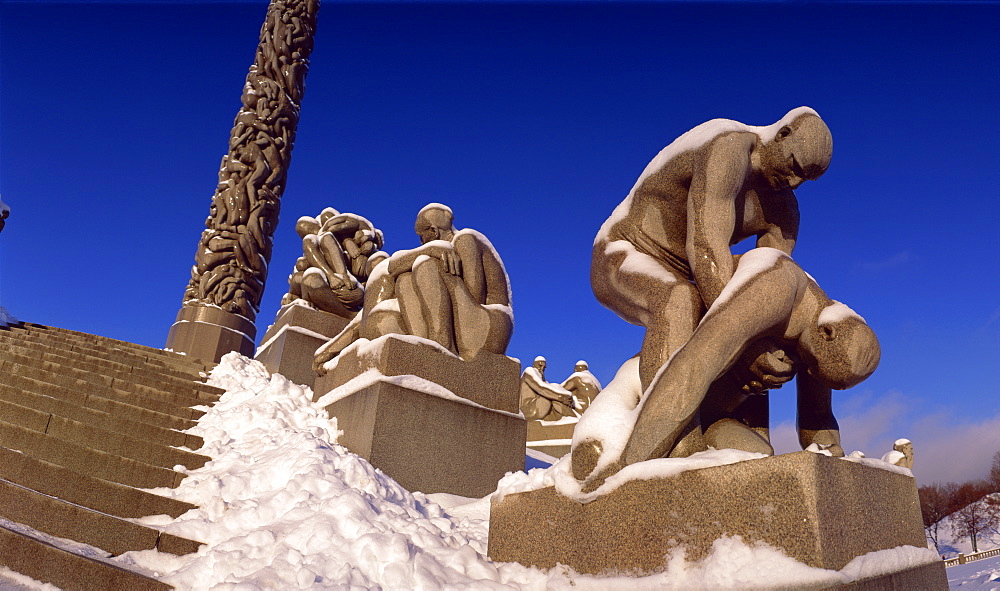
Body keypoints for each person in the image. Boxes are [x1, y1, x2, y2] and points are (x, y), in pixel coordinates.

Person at [573, 248, 880, 490]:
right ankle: (615, 449)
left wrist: (832, 456)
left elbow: (818, 419)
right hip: (649, 398)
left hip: (713, 417)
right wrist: (629, 463)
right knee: (661, 455)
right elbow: (693, 366)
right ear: (829, 332)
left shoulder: (823, 345)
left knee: (756, 458)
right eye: (815, 367)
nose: (810, 374)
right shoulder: (777, 285)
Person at [591, 108, 833, 397]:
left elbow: (765, 288)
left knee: (765, 345)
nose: (794, 182)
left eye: (805, 178)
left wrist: (766, 347)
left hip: (691, 274)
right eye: (794, 165)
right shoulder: (728, 147)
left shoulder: (785, 210)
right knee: (677, 301)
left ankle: (738, 434)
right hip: (623, 251)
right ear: (783, 134)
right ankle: (673, 435)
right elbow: (705, 245)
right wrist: (747, 343)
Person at [314, 204, 512, 371]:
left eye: (422, 237)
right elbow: (394, 266)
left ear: (433, 231)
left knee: (424, 265)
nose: (421, 242)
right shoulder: (438, 249)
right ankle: (427, 344)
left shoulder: (465, 239)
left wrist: (430, 260)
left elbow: (475, 293)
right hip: (463, 323)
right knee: (406, 277)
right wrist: (431, 250)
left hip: (486, 327)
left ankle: (442, 345)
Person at [520, 356, 576, 420]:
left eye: (544, 367)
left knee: (554, 398)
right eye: (540, 365)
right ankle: (571, 418)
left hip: (538, 406)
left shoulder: (543, 380)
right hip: (527, 410)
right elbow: (541, 389)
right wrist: (561, 398)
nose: (542, 368)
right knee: (550, 397)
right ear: (534, 365)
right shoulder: (529, 371)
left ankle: (572, 418)